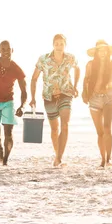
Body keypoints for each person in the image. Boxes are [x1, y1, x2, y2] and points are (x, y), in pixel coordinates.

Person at [30, 34, 80, 168]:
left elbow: (78, 69)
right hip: (49, 97)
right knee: (54, 129)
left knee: (65, 125)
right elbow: (34, 78)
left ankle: (58, 158)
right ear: (53, 45)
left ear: (65, 45)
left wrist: (75, 86)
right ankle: (57, 154)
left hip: (66, 94)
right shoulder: (43, 59)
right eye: (56, 44)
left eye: (61, 44)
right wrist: (32, 97)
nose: (59, 46)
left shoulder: (70, 58)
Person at [82, 40, 112, 168]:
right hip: (94, 98)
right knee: (100, 132)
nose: (102, 52)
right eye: (99, 50)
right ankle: (102, 159)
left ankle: (108, 159)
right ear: (96, 52)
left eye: (104, 50)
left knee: (107, 128)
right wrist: (84, 93)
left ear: (108, 51)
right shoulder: (90, 65)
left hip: (109, 98)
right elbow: (86, 79)